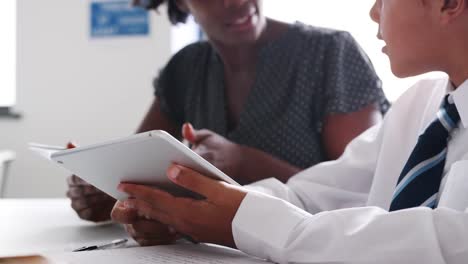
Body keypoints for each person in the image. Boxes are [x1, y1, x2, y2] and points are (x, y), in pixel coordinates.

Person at [112, 0, 468, 262]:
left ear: (449, 4)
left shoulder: (328, 53)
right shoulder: (419, 105)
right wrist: (190, 216)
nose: (374, 12)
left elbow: (446, 243)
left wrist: (256, 225)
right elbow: (313, 194)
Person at [67, 0, 389, 225]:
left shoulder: (330, 54)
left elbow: (364, 195)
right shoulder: (185, 68)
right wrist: (105, 190)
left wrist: (242, 160)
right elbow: (134, 171)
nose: (235, 1)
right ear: (180, 3)